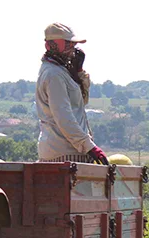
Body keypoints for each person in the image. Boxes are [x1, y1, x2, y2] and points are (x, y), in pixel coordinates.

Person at [35, 22, 108, 165]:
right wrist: (89, 146)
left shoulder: (61, 71)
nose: (72, 47)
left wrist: (79, 72)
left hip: (70, 150)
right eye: (68, 43)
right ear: (50, 45)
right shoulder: (54, 74)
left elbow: (81, 102)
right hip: (64, 152)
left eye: (73, 44)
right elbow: (63, 116)